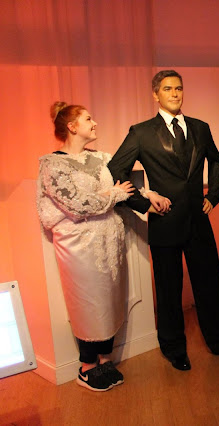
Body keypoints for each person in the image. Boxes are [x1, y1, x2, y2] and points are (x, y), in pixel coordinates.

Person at [108, 70, 219, 371]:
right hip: (165, 221)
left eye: (179, 88)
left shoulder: (200, 127)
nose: (174, 93)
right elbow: (115, 169)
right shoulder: (141, 132)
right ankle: (173, 348)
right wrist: (144, 203)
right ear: (155, 95)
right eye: (168, 89)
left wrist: (214, 195)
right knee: (168, 289)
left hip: (198, 220)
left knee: (209, 283)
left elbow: (217, 161)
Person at [37, 102, 135, 391]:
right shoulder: (52, 164)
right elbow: (77, 204)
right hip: (78, 245)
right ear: (72, 127)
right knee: (87, 301)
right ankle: (87, 366)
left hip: (108, 241)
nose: (95, 123)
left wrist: (145, 195)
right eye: (88, 119)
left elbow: (125, 186)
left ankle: (105, 359)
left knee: (110, 298)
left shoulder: (103, 158)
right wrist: (113, 194)